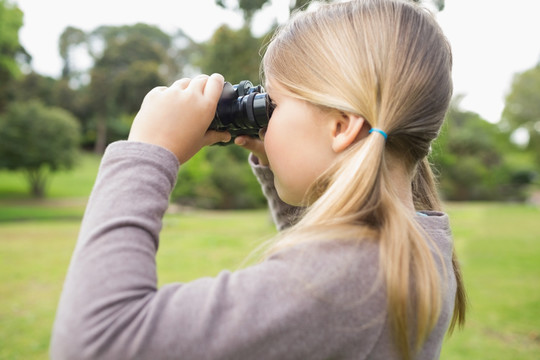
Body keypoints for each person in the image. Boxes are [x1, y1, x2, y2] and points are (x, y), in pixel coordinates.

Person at [50, 0, 466, 359]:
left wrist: (148, 150)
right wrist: (275, 155)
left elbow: (97, 342)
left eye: (275, 104)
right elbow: (315, 318)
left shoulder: (349, 279)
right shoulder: (415, 245)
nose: (267, 121)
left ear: (341, 127)